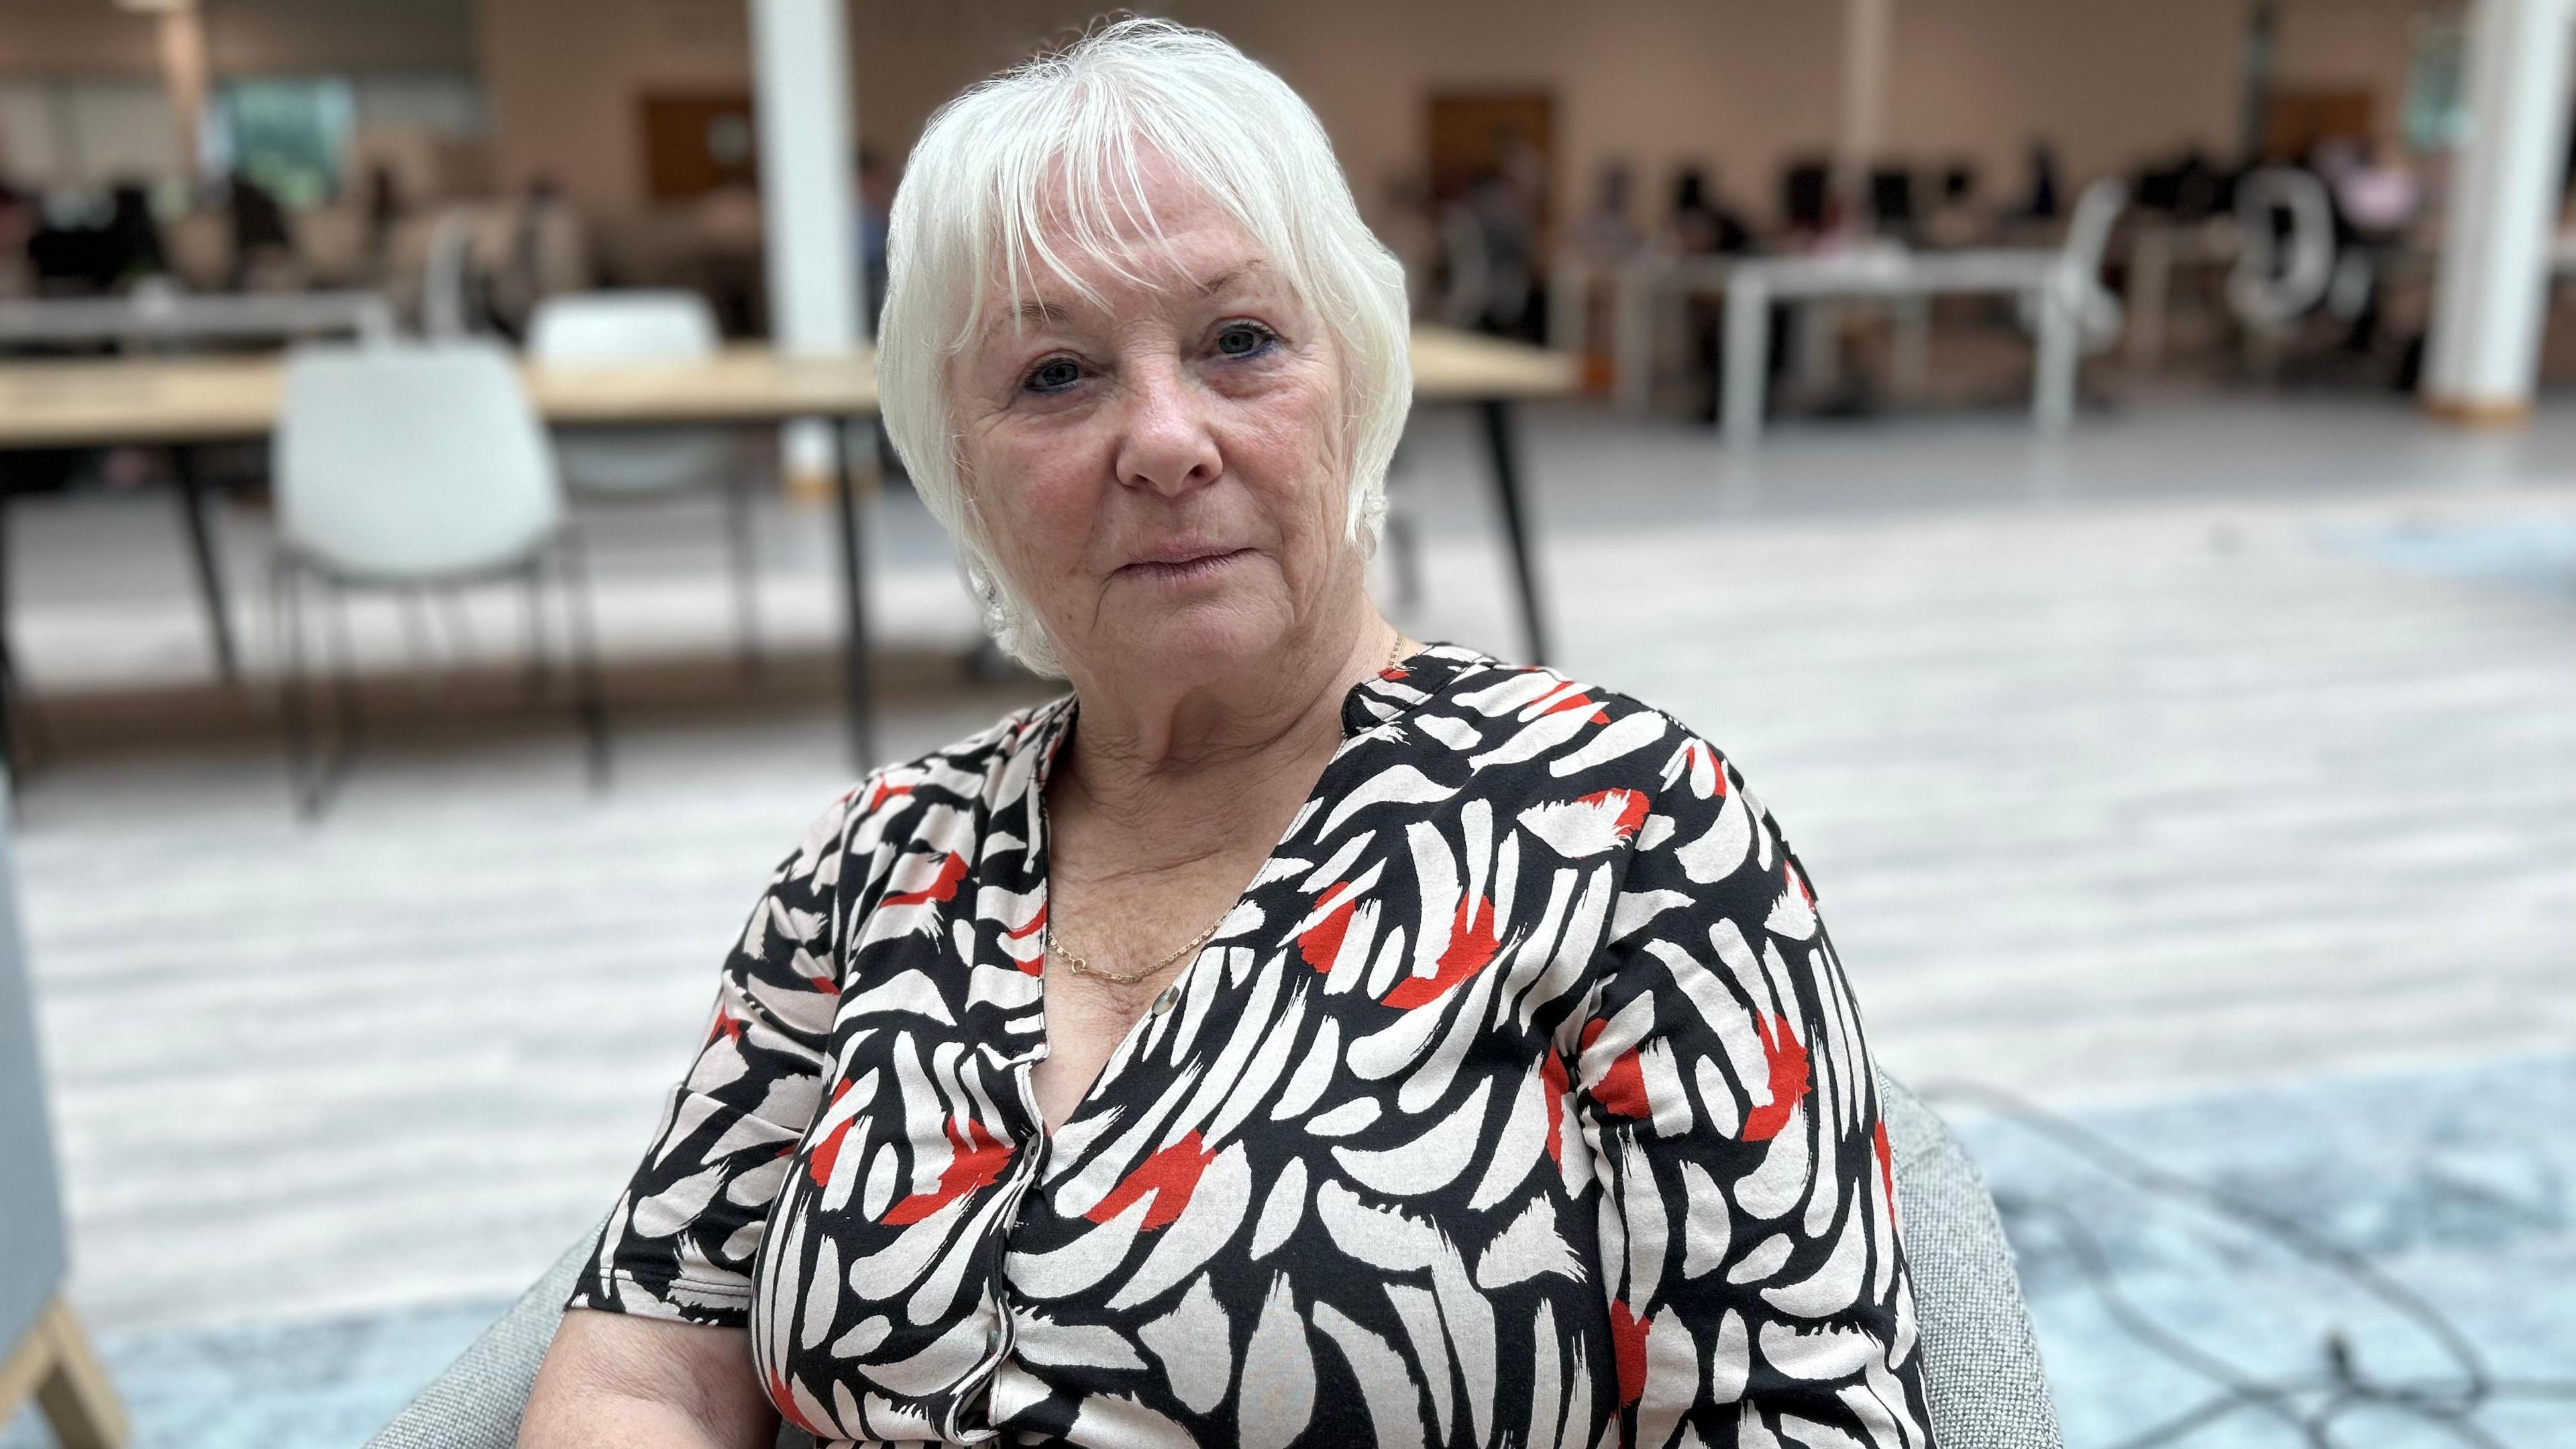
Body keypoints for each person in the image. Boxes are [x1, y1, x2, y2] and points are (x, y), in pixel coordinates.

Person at [521, 20, 1932, 1448]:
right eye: (1056, 374)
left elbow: (1799, 1415)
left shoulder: (1626, 825)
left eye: (1240, 341)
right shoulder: (875, 860)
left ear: (1358, 383)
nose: (1164, 437)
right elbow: (642, 1367)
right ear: (957, 466)